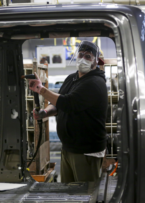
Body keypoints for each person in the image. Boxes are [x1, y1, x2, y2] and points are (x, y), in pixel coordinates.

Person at [28, 41, 108, 183]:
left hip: (86, 152)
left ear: (96, 61)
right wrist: (45, 113)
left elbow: (69, 103)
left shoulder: (95, 83)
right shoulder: (71, 78)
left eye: (88, 56)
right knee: (68, 193)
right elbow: (59, 104)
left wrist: (41, 90)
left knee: (85, 194)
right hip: (69, 148)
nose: (83, 59)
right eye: (81, 54)